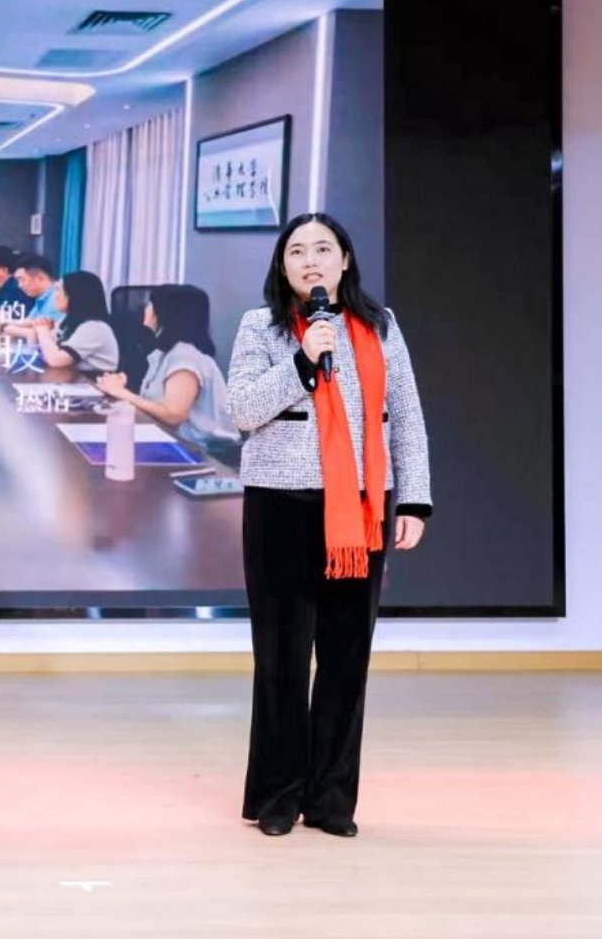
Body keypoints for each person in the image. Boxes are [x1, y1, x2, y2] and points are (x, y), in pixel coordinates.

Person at [226, 213, 431, 840]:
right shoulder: (260, 326)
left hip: (361, 509)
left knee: (346, 657)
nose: (310, 260)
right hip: (280, 506)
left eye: (322, 248)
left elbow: (406, 416)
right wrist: (301, 361)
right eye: (297, 251)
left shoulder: (381, 326)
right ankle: (278, 795)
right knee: (282, 660)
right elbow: (241, 410)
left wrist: (414, 501)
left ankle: (332, 798)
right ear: (282, 265)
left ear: (344, 260)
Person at [96, 284, 238, 455]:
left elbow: (173, 415)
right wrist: (121, 392)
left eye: (151, 304)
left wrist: (122, 393)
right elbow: (156, 407)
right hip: (175, 442)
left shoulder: (186, 358)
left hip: (204, 454)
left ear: (165, 314)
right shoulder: (165, 354)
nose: (146, 309)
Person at [8, 270, 118, 372]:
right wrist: (44, 332)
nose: (55, 296)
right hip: (72, 379)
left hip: (94, 383)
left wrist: (43, 331)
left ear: (75, 295)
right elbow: (42, 351)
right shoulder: (68, 321)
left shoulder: (94, 327)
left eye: (58, 290)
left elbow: (55, 360)